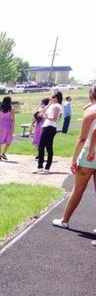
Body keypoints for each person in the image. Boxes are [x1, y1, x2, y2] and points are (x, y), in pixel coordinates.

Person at [52, 84, 96, 233]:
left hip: (89, 155)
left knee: (78, 189)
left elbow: (82, 138)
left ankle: (64, 220)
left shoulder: (90, 111)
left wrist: (74, 158)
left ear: (92, 96)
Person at [34, 91, 63, 174]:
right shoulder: (51, 106)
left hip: (50, 127)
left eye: (53, 97)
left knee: (45, 147)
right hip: (46, 126)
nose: (52, 99)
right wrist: (49, 105)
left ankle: (44, 167)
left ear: (57, 98)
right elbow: (41, 113)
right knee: (43, 146)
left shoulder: (57, 106)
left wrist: (46, 117)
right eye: (51, 97)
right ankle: (41, 167)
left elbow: (54, 118)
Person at [0, 96, 15, 161]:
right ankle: (3, 153)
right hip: (8, 125)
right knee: (8, 140)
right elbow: (13, 119)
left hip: (1, 125)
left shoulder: (0, 108)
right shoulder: (12, 108)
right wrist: (13, 127)